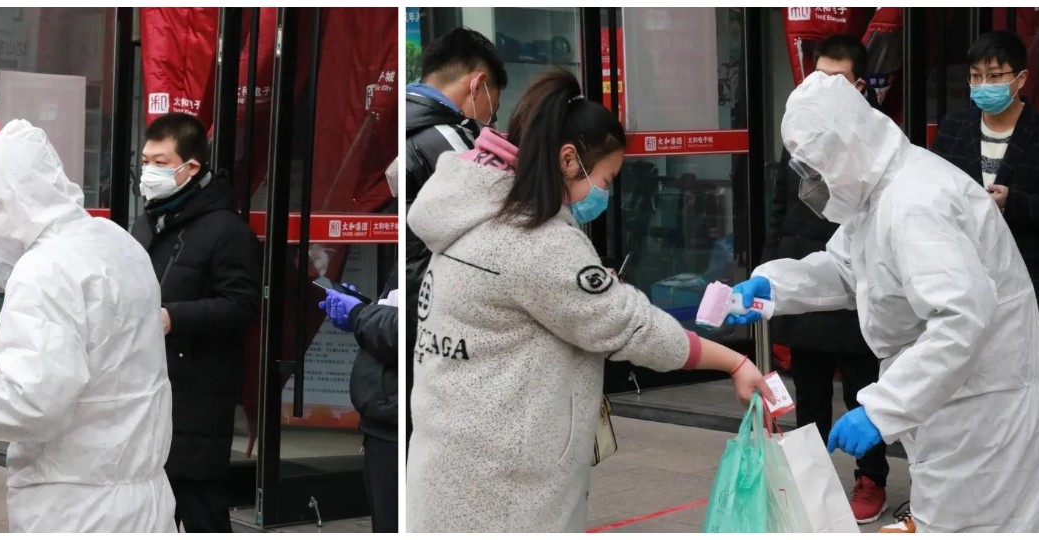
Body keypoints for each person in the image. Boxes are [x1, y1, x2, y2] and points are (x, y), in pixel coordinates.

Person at [406, 71, 772, 533]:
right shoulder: (535, 239)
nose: (605, 193)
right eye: (606, 178)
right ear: (568, 159)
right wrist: (734, 362)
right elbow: (632, 327)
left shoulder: (470, 210)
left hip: (448, 466)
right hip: (505, 491)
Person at [725, 71, 1039, 533]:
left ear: (843, 150)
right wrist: (775, 286)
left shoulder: (915, 203)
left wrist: (883, 407)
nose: (812, 184)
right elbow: (848, 269)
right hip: (957, 400)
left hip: (984, 412)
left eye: (815, 169)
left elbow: (961, 318)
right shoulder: (881, 195)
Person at [0, 119, 177, 533]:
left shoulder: (45, 272)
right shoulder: (113, 239)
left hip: (74, 505)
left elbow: (32, 401)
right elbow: (69, 275)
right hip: (142, 490)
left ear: (10, 201)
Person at [764, 34, 888, 524]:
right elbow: (780, 209)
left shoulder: (880, 142)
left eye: (835, 81)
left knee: (863, 390)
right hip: (803, 280)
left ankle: (871, 478)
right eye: (817, 78)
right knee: (810, 392)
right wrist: (773, 272)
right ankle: (810, 481)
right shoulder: (800, 132)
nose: (823, 89)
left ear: (859, 86)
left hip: (856, 286)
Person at [930, 30, 1039, 368]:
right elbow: (932, 190)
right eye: (975, 77)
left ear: (1021, 79)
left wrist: (1013, 203)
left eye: (994, 76)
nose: (983, 85)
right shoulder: (954, 127)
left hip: (1026, 280)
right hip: (962, 280)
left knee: (1024, 376)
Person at [137, 112, 262, 533]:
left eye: (160, 163)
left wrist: (174, 317)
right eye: (145, 162)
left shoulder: (227, 231)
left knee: (201, 509)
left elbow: (241, 306)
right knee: (150, 513)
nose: (149, 172)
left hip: (198, 397)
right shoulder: (148, 221)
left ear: (191, 168)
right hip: (148, 388)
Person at [404, 26, 506, 445]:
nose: (490, 121)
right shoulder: (452, 144)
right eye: (492, 109)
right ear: (477, 84)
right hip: (443, 321)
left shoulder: (400, 123)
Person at [317, 159, 401, 533]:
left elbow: (407, 332)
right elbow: (396, 312)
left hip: (401, 419)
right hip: (385, 415)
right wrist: (364, 308)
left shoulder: (435, 247)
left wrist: (358, 314)